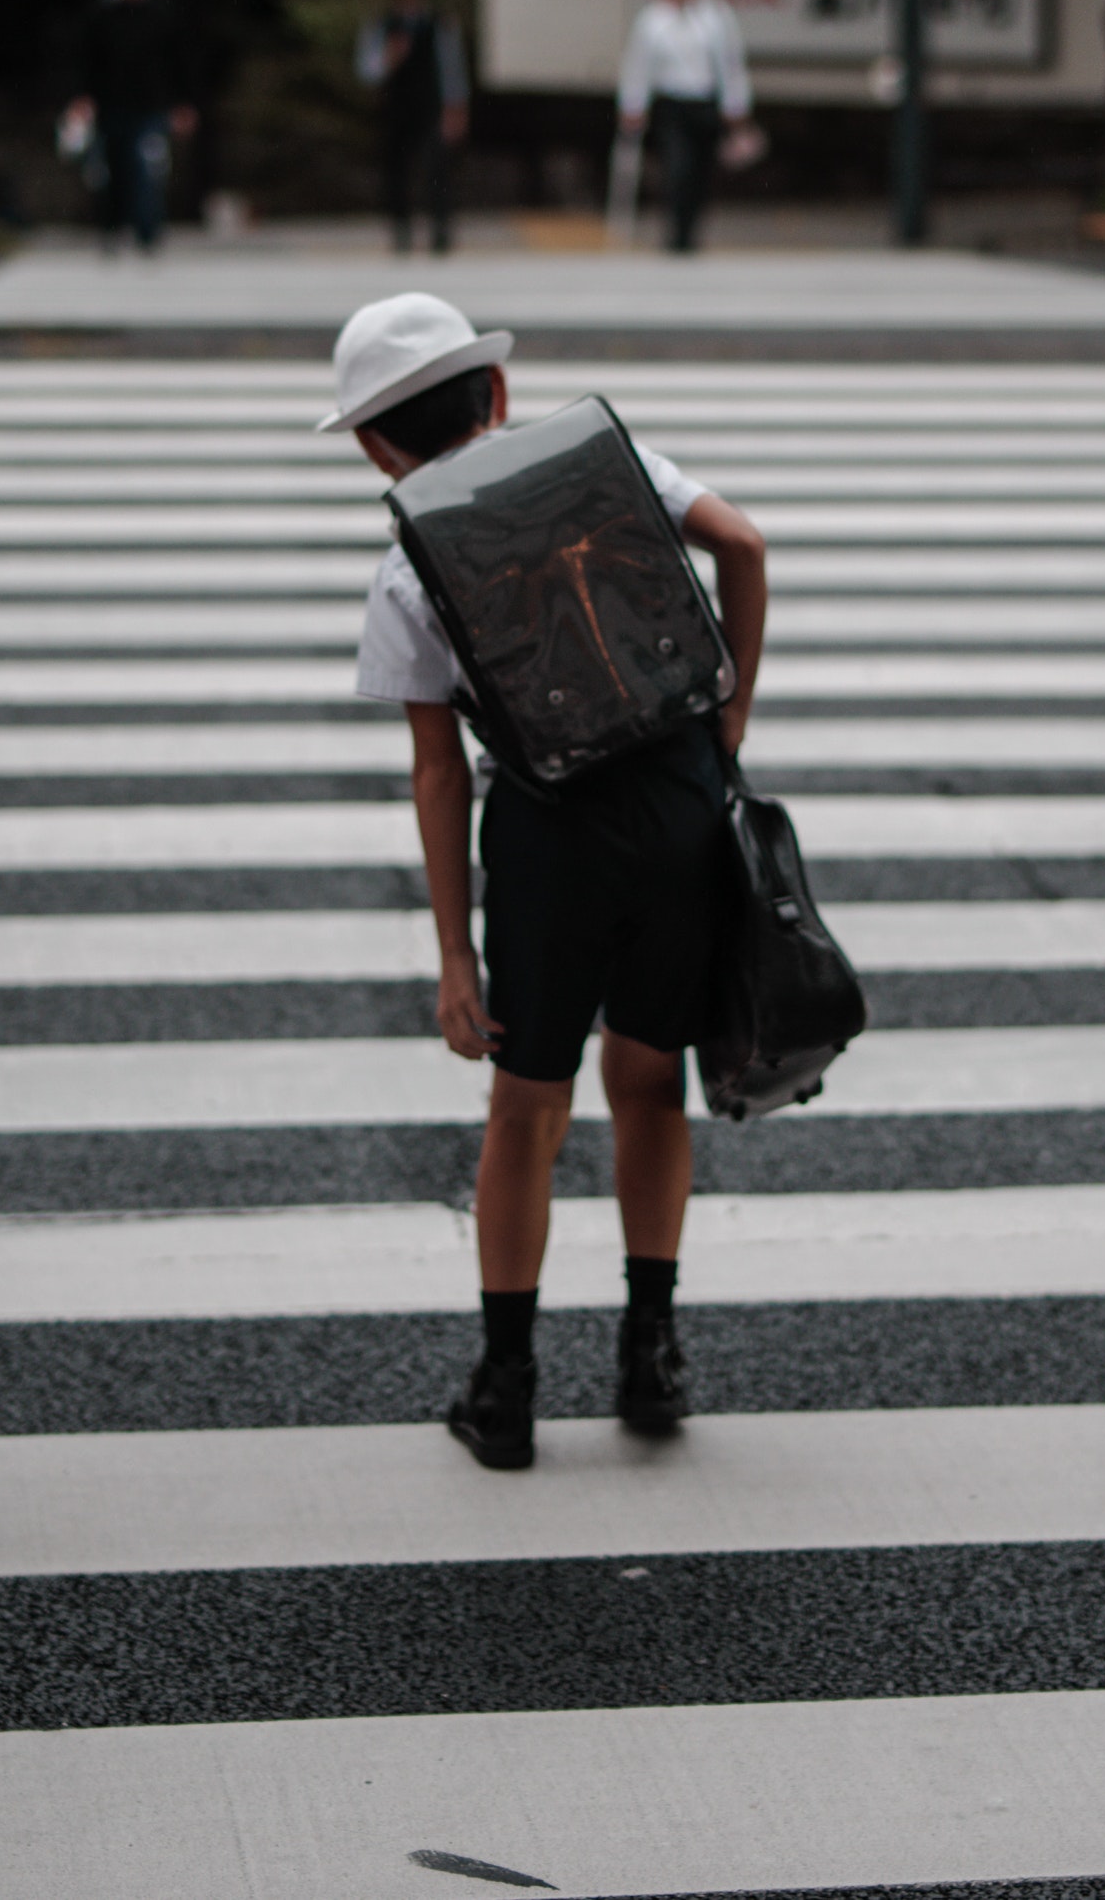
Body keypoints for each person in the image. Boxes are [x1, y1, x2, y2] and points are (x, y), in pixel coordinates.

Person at [325, 293, 771, 1471]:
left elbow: (436, 771)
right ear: (500, 394)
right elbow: (747, 545)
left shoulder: (411, 565)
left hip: (547, 837)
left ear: (376, 444)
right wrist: (728, 714)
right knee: (649, 1080)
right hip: (677, 809)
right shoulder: (613, 466)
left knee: (527, 1106)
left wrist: (456, 955)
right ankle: (651, 1349)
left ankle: (507, 1385)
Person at [61, 0, 198, 254]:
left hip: (153, 106)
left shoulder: (164, 10)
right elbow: (84, 60)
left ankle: (148, 234)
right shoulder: (100, 10)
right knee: (109, 172)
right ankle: (110, 230)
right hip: (109, 107)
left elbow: (181, 60)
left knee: (149, 170)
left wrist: (184, 103)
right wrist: (80, 98)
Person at [615, 0, 754, 254]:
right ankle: (676, 232)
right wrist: (633, 104)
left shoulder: (715, 17)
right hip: (672, 104)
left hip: (704, 103)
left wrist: (736, 106)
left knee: (702, 172)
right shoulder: (652, 21)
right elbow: (638, 66)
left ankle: (692, 230)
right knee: (678, 168)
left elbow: (730, 64)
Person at [356, 0, 471, 256]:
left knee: (437, 169)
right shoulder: (381, 26)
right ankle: (401, 230)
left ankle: (440, 230)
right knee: (396, 171)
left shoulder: (439, 25)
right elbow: (367, 71)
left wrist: (456, 108)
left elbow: (451, 69)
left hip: (431, 107)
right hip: (395, 109)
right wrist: (390, 56)